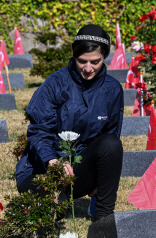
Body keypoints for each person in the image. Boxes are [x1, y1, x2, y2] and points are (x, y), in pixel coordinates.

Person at [15, 24, 124, 219]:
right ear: (74, 55)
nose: (88, 68)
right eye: (82, 61)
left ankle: (103, 215)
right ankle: (57, 199)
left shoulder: (112, 89)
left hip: (79, 169)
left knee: (111, 143)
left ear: (104, 57)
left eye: (95, 62)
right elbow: (39, 131)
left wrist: (101, 178)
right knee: (46, 214)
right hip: (42, 169)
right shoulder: (55, 83)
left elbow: (111, 135)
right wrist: (53, 161)